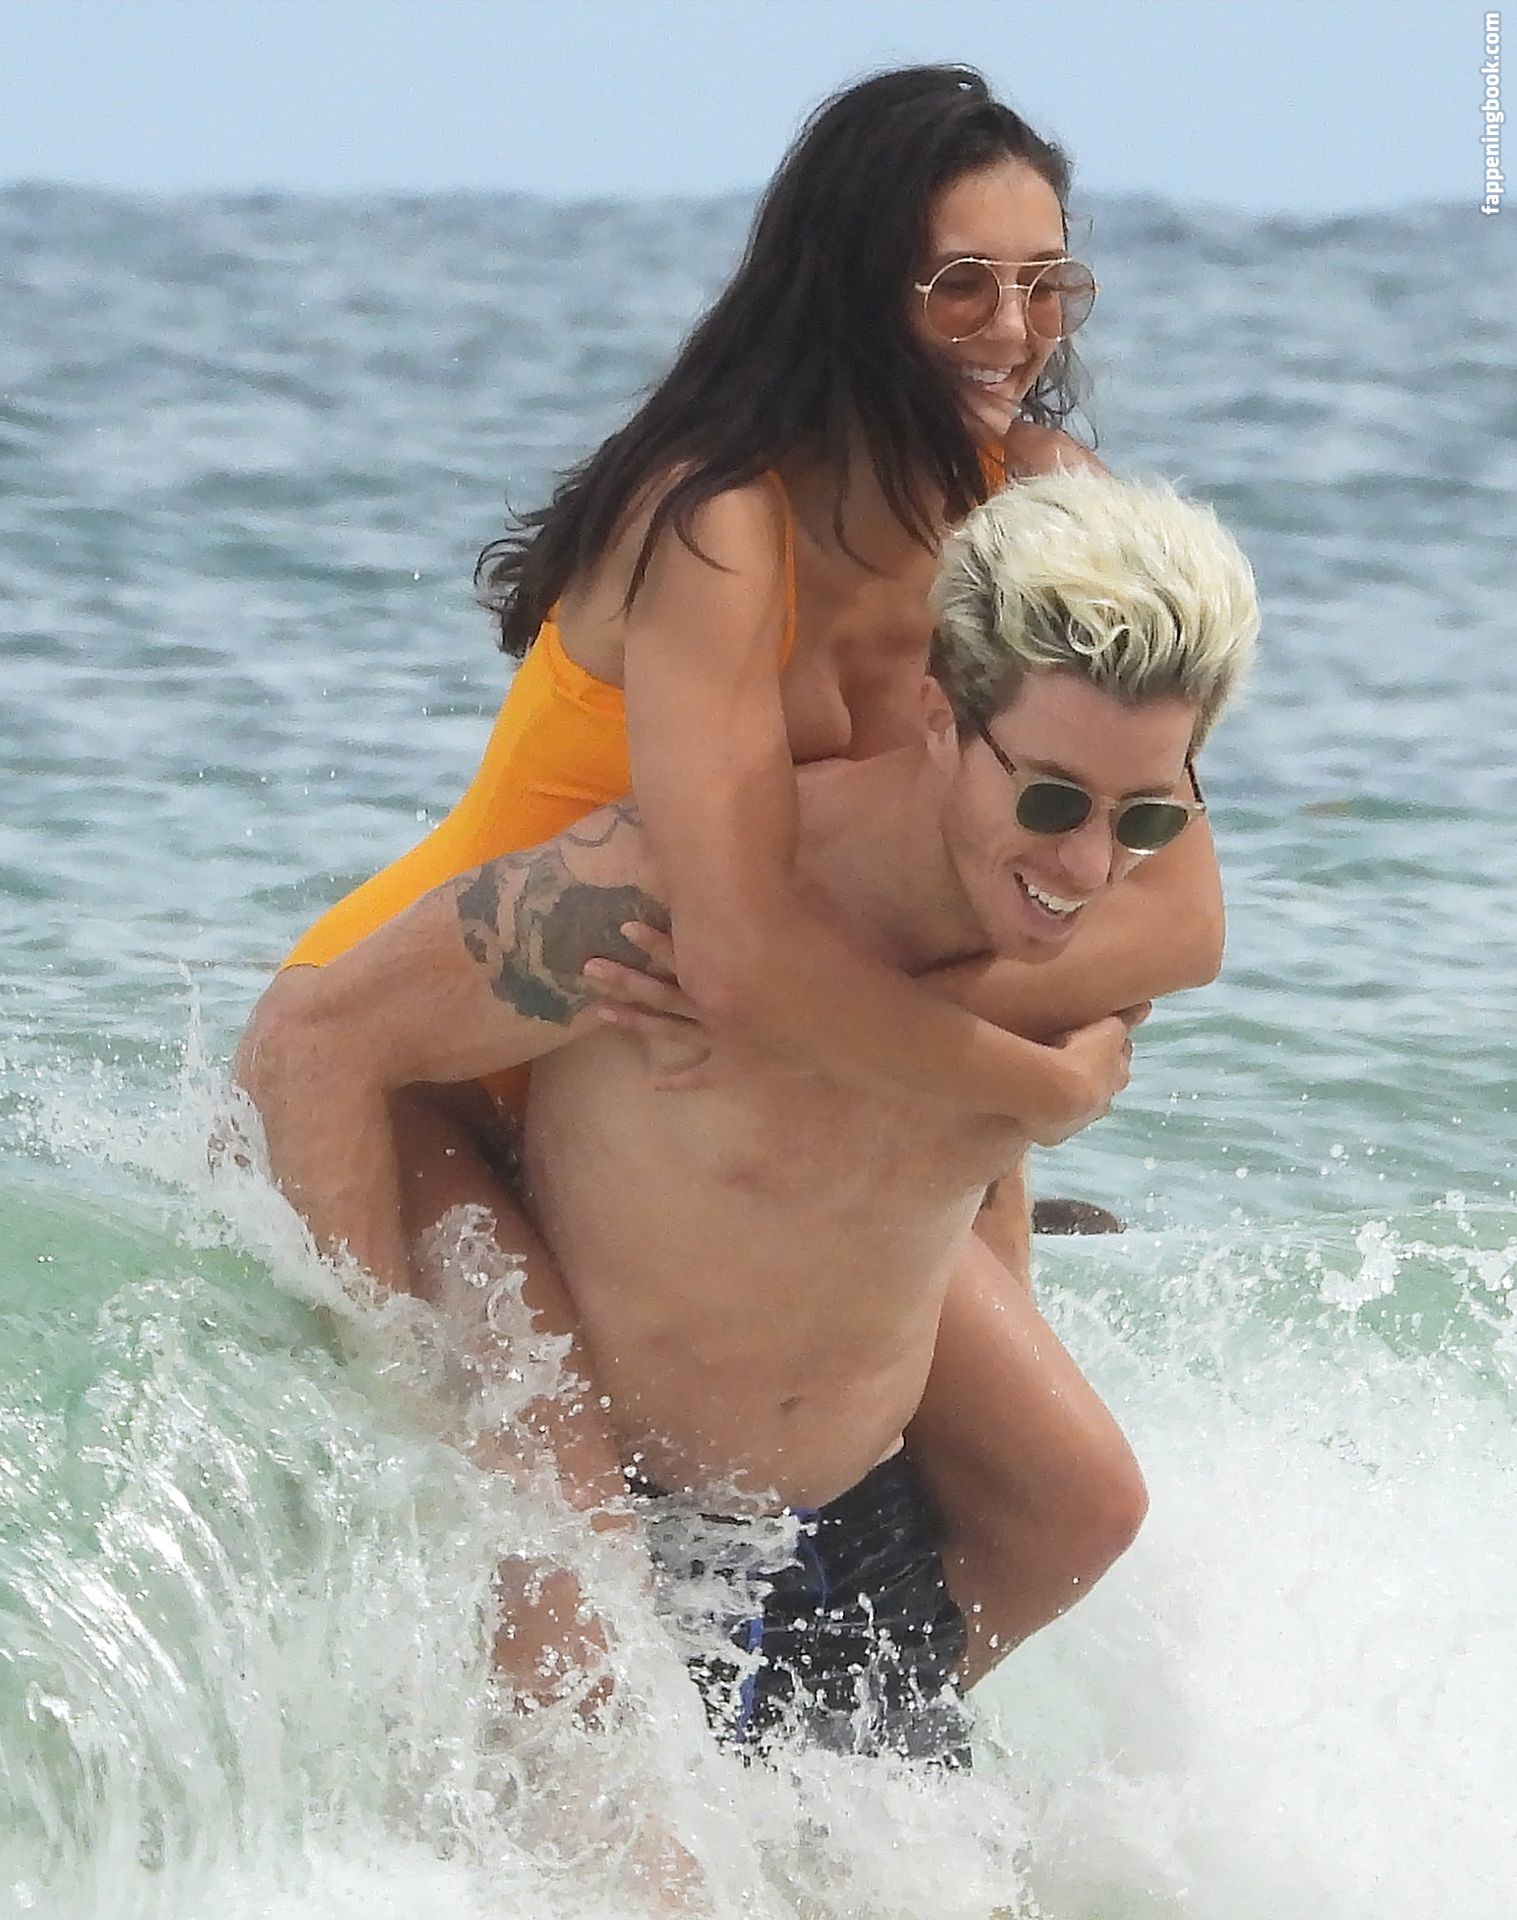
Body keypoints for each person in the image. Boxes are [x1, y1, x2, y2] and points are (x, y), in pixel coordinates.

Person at [260, 65, 1227, 1672]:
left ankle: (841, 1771)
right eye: (961, 283)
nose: (1013, 328)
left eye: (1046, 282)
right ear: (852, 285)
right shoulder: (720, 520)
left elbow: (1170, 910)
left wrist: (972, 1034)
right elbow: (733, 947)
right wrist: (1039, 1081)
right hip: (444, 1051)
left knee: (1066, 1502)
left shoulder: (1045, 504)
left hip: (709, 1059)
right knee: (551, 1582)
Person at [238, 470, 1259, 1763]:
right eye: (1051, 800)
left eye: (1147, 818)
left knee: (1075, 1526)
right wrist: (396, 1417)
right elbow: (310, 1042)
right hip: (614, 1504)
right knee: (649, 1846)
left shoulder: (1080, 949)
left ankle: (776, 1770)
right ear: (938, 714)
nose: (1087, 866)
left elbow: (957, 1173)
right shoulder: (671, 905)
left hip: (847, 1523)